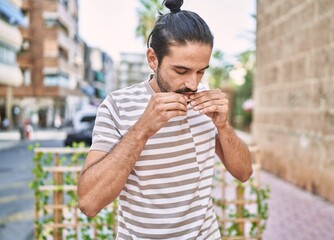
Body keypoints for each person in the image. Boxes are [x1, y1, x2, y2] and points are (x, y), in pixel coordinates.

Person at [77, 0, 253, 239]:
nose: (193, 84)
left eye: (201, 71)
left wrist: (223, 125)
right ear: (153, 59)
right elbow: (89, 202)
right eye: (181, 71)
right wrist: (142, 129)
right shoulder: (117, 105)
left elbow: (244, 172)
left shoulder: (205, 103)